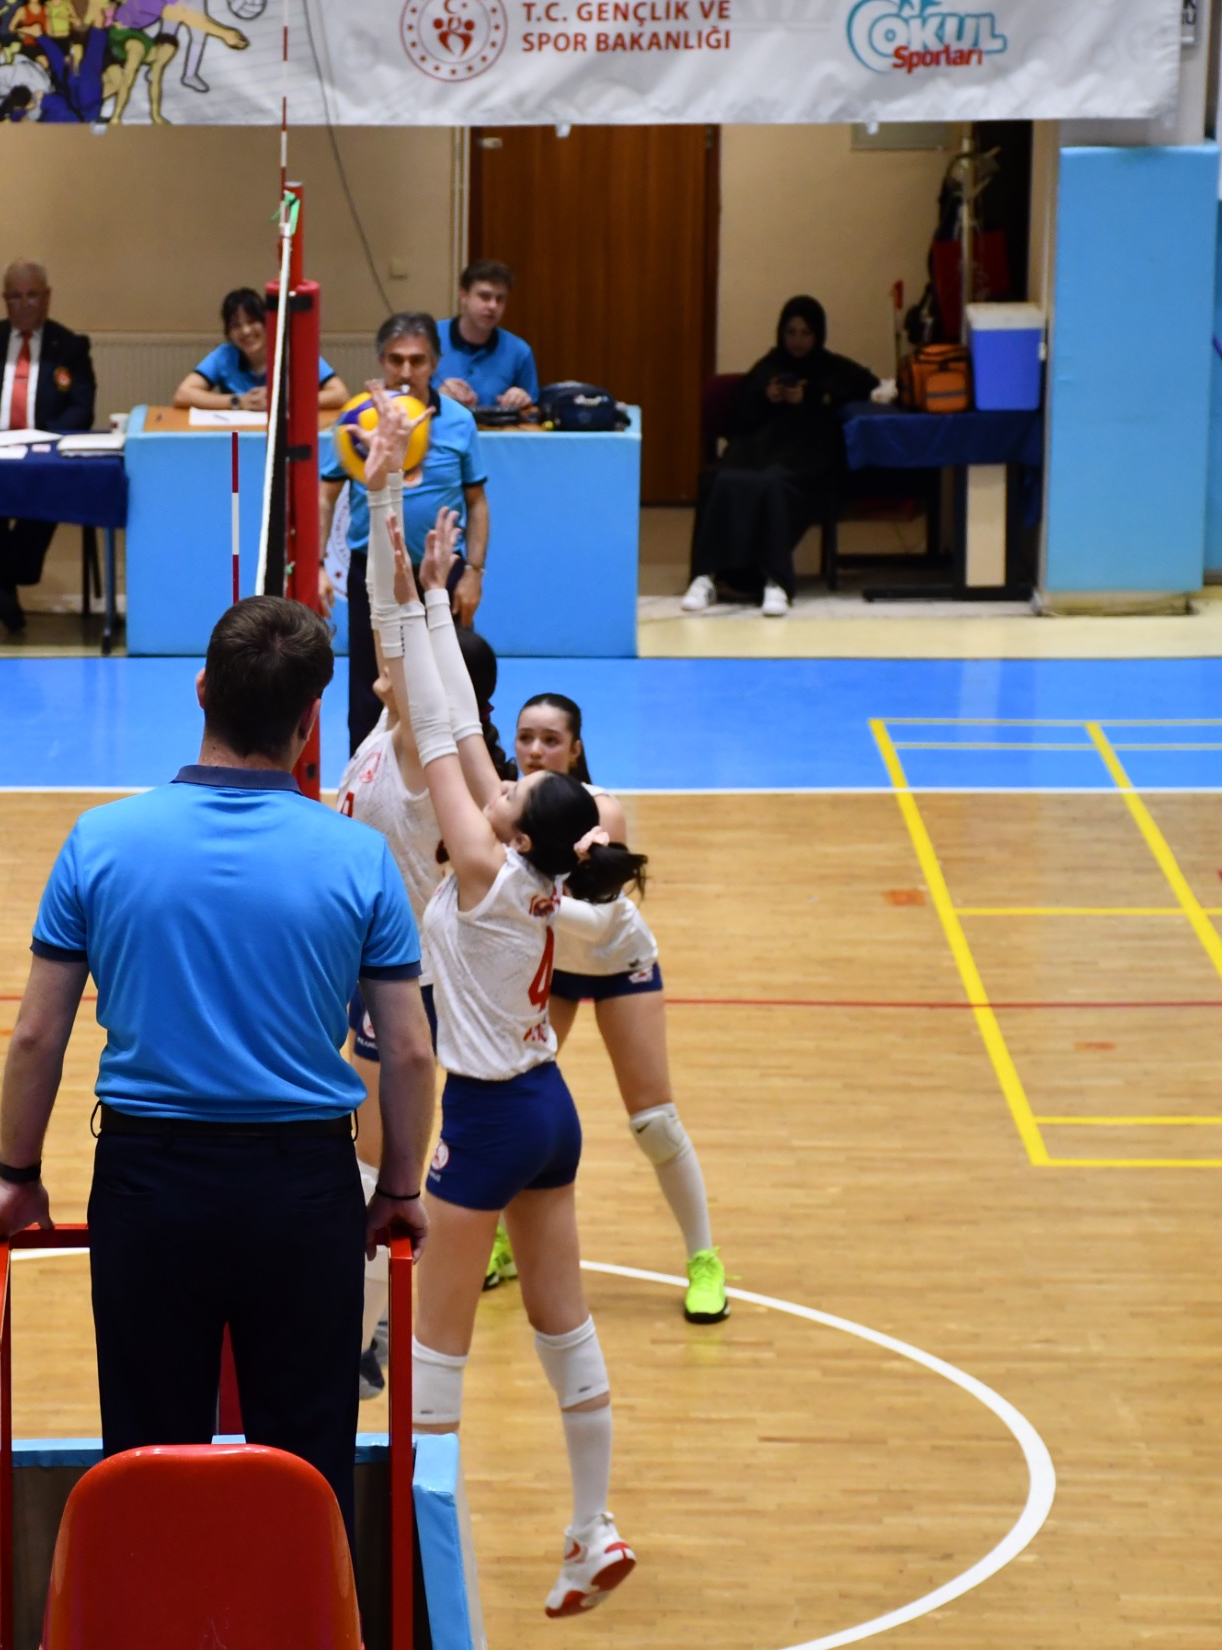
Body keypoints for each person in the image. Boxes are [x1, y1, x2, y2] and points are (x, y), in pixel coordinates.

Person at [0, 592, 437, 1543]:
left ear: (200, 692)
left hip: (150, 1189)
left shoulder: (100, 842)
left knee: (148, 1463)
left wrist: (18, 1177)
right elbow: (413, 1053)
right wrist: (395, 1188)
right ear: (311, 725)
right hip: (304, 1194)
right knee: (307, 1472)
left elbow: (36, 1039)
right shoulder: (360, 859)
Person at [366, 392, 648, 1616]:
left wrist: (385, 511)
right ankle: (592, 1527)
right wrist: (435, 593)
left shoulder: (481, 874)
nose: (504, 773)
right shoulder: (522, 865)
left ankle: (412, 1563)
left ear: (516, 825)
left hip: (484, 1125)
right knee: (560, 1325)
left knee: (431, 1360)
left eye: (518, 779)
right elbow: (464, 723)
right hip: (549, 1108)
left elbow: (432, 717)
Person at [513, 693, 727, 1322]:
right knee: (513, 1103)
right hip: (552, 971)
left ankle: (704, 1260)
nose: (534, 750)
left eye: (550, 739)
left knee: (654, 1121)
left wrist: (543, 907)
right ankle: (502, 1238)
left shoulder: (602, 810)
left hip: (619, 963)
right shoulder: (508, 802)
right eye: (526, 737)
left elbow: (602, 924)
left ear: (575, 748)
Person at [335, 619, 506, 1399]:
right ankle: (363, 1325)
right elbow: (388, 625)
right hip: (356, 971)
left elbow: (432, 691)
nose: (385, 665)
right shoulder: (390, 726)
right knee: (360, 1161)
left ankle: (359, 1343)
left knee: (377, 1167)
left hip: (405, 986)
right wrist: (384, 527)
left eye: (405, 664)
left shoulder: (420, 759)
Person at [321, 313, 490, 753]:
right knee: (370, 686)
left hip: (437, 575)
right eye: (395, 360)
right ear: (381, 361)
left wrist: (473, 571)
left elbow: (476, 501)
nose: (405, 371)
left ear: (434, 363)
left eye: (417, 360)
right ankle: (366, 781)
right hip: (373, 575)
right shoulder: (357, 418)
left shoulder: (457, 421)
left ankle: (443, 789)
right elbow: (325, 494)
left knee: (445, 680)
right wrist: (319, 565)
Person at [685, 295, 879, 618]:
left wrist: (811, 396)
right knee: (721, 478)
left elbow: (868, 385)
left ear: (817, 335)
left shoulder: (829, 368)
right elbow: (737, 417)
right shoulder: (768, 367)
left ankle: (775, 580)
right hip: (757, 448)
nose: (798, 341)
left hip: (804, 455)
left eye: (806, 333)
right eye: (791, 332)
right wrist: (767, 397)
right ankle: (706, 576)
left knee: (774, 483)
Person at [0, 261, 98, 631]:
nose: (25, 304)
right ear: (4, 300)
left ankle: (0, 583)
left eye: (32, 295)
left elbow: (82, 406)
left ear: (46, 297)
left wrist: (43, 437)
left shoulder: (70, 346)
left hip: (42, 450)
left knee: (50, 487)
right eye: (15, 296)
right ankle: (2, 587)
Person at [100, 0, 247, 125]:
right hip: (117, 35)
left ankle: (154, 114)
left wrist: (225, 32)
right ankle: (116, 117)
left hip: (133, 34)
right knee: (125, 74)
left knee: (121, 82)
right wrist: (224, 33)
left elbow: (194, 15)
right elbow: (185, 16)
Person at [173, 287, 349, 416]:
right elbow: (183, 394)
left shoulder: (295, 351)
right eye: (236, 325)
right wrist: (238, 401)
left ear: (267, 323)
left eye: (252, 321)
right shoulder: (224, 355)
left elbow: (340, 394)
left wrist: (287, 402)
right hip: (238, 441)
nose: (246, 331)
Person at [434, 260, 540, 414]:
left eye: (500, 299)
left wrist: (523, 402)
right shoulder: (428, 339)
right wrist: (435, 397)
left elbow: (535, 415)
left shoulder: (519, 351)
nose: (493, 306)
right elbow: (403, 399)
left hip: (496, 436)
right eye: (485, 297)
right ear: (463, 296)